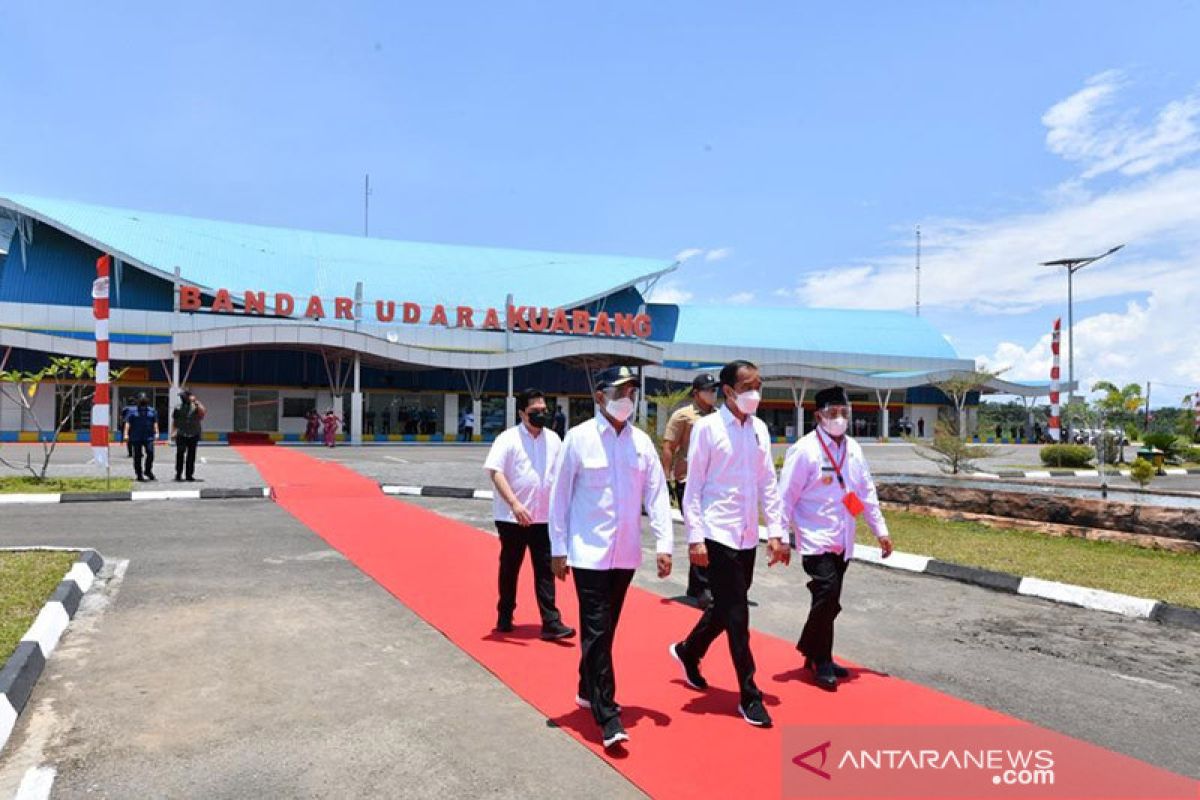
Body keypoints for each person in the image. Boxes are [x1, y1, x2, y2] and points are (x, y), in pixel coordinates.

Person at [548, 365, 673, 750]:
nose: (627, 400)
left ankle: (587, 688)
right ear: (600, 396)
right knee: (598, 630)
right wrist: (558, 548)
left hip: (625, 554)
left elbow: (656, 494)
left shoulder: (640, 442)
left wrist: (664, 543)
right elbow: (560, 496)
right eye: (620, 392)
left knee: (605, 630)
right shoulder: (579, 438)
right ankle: (608, 714)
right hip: (588, 553)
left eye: (632, 393)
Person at [668, 360, 788, 728]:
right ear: (729, 391)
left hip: (747, 533)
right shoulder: (706, 429)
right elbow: (694, 488)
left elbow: (768, 482)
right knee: (738, 615)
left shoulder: (760, 430)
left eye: (759, 384)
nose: (756, 392)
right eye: (749, 386)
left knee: (727, 606)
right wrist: (695, 539)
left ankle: (689, 651)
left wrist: (777, 533)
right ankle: (749, 695)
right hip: (717, 533)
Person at [778, 386, 893, 690]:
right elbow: (785, 496)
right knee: (827, 593)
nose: (839, 419)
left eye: (844, 413)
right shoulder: (804, 450)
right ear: (818, 416)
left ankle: (815, 652)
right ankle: (820, 658)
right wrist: (779, 536)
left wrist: (880, 530)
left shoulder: (854, 448)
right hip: (815, 536)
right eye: (833, 413)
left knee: (829, 600)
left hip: (844, 537)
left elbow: (864, 492)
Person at [484, 388, 574, 640]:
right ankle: (504, 615)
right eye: (535, 412)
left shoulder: (554, 439)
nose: (541, 415)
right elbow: (495, 472)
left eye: (544, 411)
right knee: (510, 567)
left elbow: (562, 475)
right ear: (522, 412)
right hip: (512, 518)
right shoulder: (508, 438)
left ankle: (551, 621)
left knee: (545, 570)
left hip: (543, 517)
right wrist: (514, 503)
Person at [660, 372, 719, 609]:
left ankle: (697, 585)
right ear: (696, 393)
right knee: (699, 531)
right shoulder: (683, 416)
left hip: (712, 482)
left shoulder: (718, 417)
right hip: (688, 480)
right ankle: (703, 587)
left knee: (709, 533)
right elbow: (669, 447)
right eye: (708, 390)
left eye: (714, 390)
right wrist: (666, 477)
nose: (712, 394)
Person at [171, 389, 205, 482]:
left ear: (189, 397)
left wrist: (196, 401)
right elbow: (175, 420)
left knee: (191, 456)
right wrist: (173, 431)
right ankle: (178, 474)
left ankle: (189, 475)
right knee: (180, 454)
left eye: (183, 396)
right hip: (181, 433)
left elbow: (203, 414)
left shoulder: (196, 406)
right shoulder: (177, 407)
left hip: (193, 434)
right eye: (181, 397)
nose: (182, 398)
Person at [124, 392, 159, 482]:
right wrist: (126, 434)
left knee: (150, 453)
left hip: (148, 436)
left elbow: (155, 422)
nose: (143, 401)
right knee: (137, 456)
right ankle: (139, 474)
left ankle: (147, 471)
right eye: (141, 400)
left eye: (144, 400)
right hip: (136, 437)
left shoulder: (152, 410)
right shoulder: (132, 411)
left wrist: (157, 432)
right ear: (138, 401)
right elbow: (128, 423)